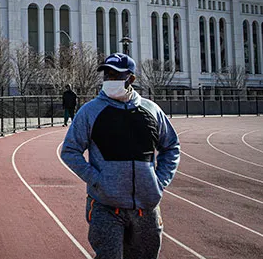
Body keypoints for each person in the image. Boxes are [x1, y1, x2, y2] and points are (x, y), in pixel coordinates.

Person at [60, 53, 180, 259]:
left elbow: (171, 147)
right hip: (106, 208)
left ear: (131, 79)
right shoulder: (90, 111)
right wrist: (97, 179)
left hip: (146, 209)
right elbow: (70, 150)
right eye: (107, 75)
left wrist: (159, 182)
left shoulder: (151, 110)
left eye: (116, 75)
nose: (110, 80)